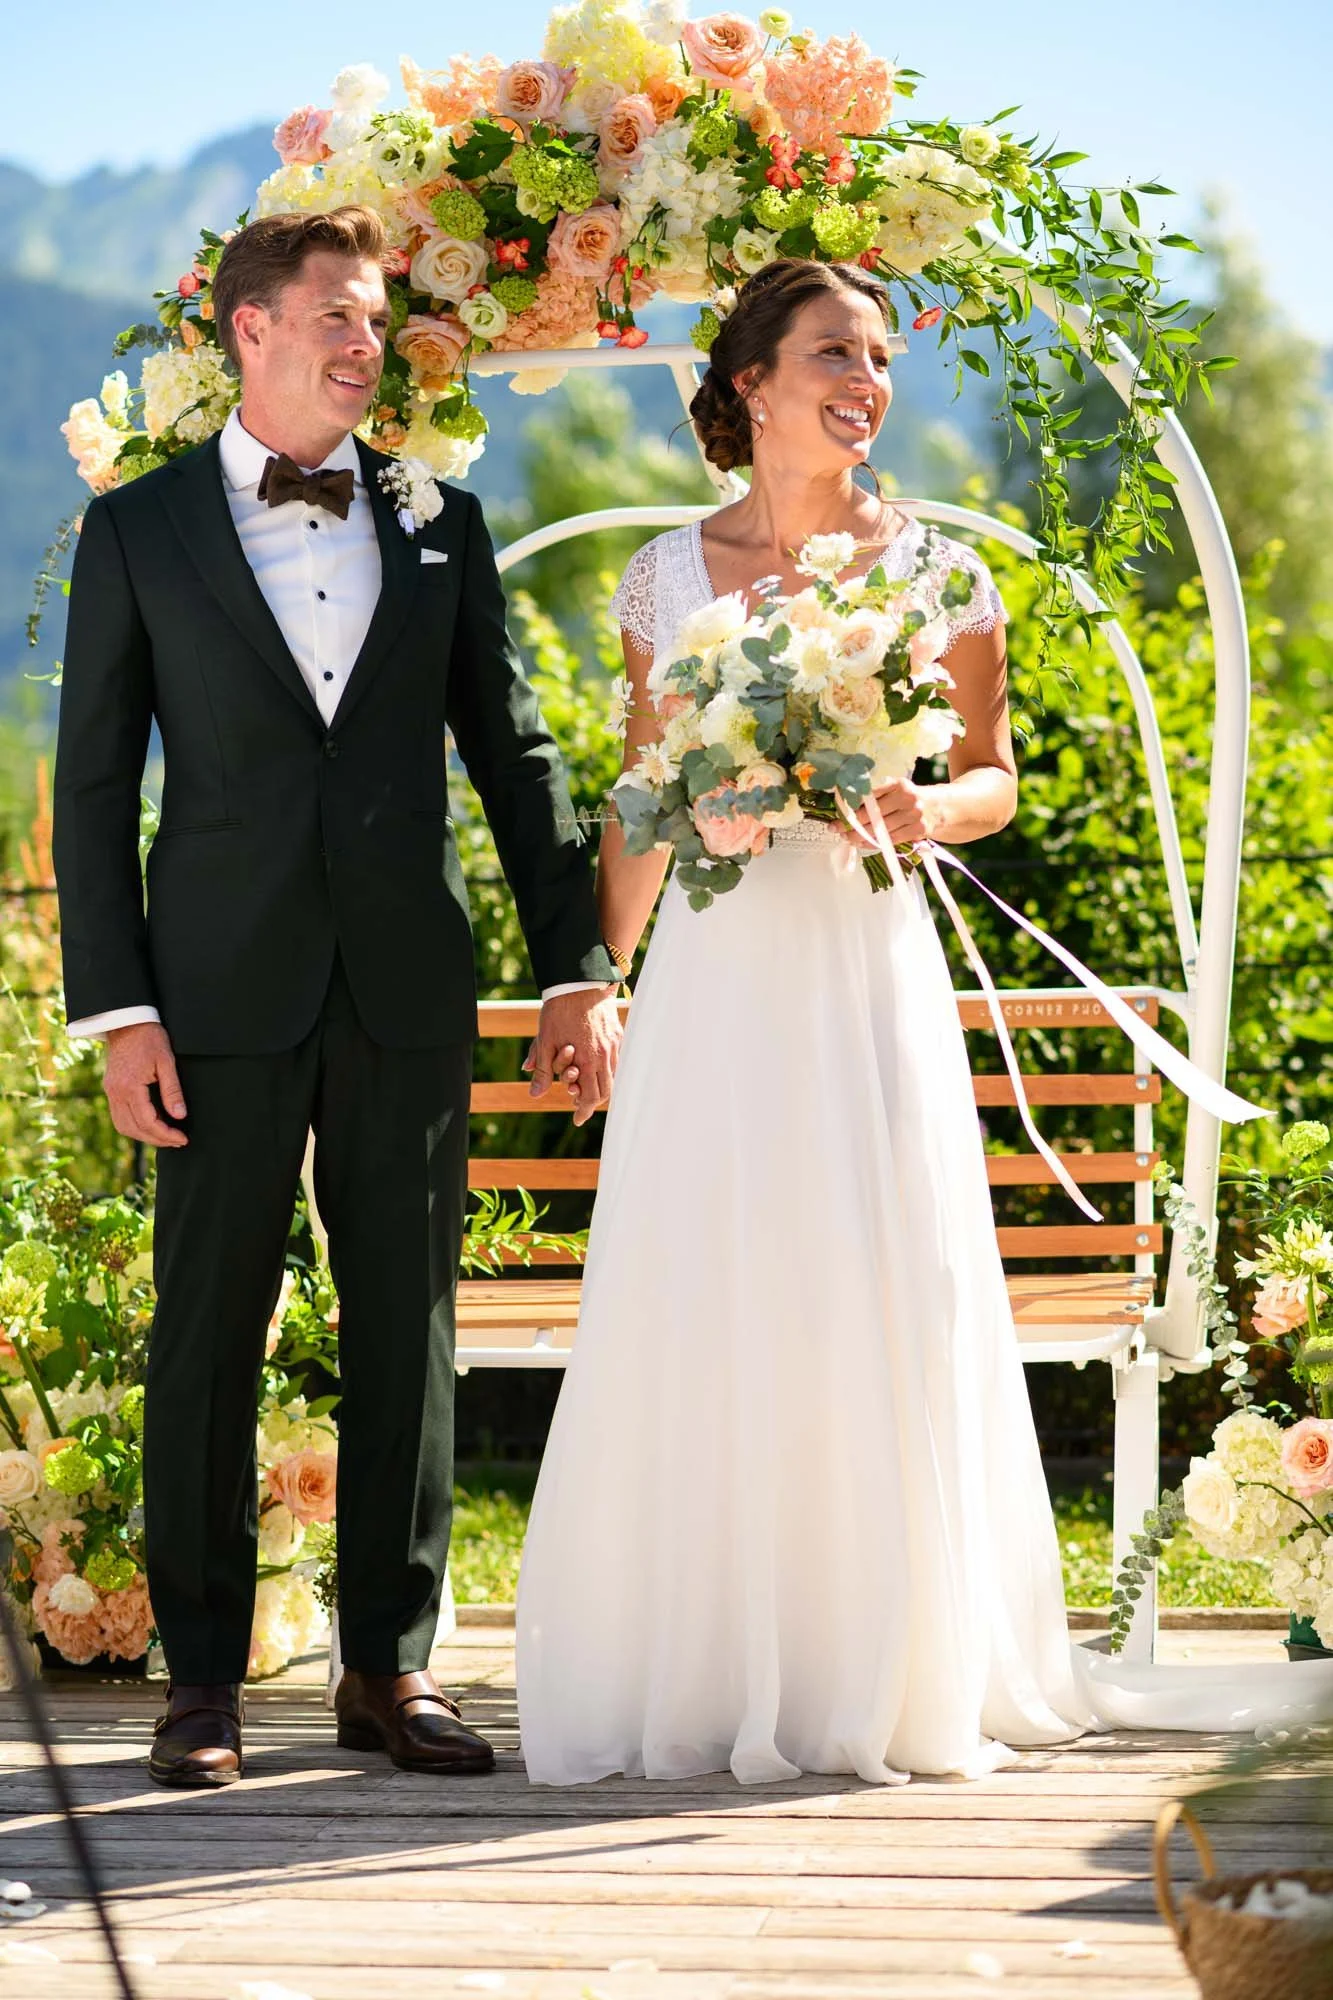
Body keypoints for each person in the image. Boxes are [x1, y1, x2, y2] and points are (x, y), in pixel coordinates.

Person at [53, 205, 622, 1787]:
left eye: (376, 320)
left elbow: (516, 756)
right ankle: (202, 1689)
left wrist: (577, 964)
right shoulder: (139, 529)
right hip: (212, 997)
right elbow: (93, 791)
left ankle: (393, 1669)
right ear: (251, 330)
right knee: (204, 1337)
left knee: (407, 1334)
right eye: (340, 317)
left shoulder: (445, 517)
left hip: (404, 989)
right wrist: (121, 1013)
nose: (366, 344)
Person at [516, 256, 1093, 1785]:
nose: (869, 377)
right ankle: (699, 1662)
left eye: (882, 356)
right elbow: (642, 803)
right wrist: (601, 977)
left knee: (871, 1263)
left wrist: (924, 804)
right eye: (835, 350)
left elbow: (995, 776)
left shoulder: (940, 570)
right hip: (714, 986)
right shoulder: (665, 579)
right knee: (711, 1274)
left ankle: (883, 1666)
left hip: (861, 960)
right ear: (752, 380)